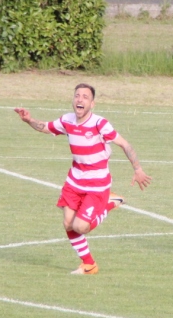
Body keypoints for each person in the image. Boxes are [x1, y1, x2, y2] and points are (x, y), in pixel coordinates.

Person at [14, 84, 152, 275]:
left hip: (97, 184)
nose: (80, 99)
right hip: (74, 181)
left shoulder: (99, 124)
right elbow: (46, 127)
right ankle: (89, 264)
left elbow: (124, 144)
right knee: (68, 224)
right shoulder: (67, 120)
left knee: (80, 226)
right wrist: (28, 120)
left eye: (85, 97)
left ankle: (108, 204)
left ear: (92, 104)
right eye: (77, 96)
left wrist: (138, 169)